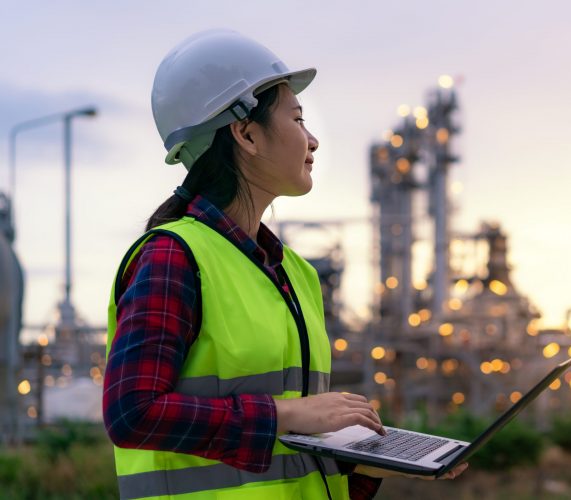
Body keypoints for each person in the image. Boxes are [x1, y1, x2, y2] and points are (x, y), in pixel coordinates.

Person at [102, 30, 466, 500]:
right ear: (246, 133)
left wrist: (374, 465)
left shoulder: (295, 272)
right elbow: (132, 413)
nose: (312, 140)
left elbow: (286, 466)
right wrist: (287, 413)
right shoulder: (174, 256)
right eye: (297, 119)